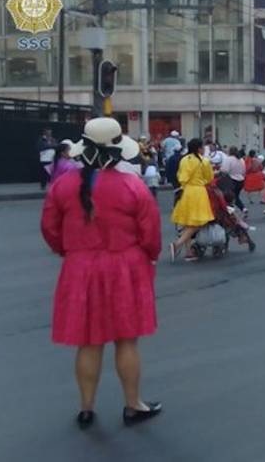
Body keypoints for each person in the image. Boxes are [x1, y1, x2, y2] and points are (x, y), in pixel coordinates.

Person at [40, 117, 163, 428]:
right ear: (119, 150)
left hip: (80, 268)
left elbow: (50, 229)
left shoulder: (62, 186)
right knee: (126, 340)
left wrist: (70, 252)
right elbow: (151, 234)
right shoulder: (133, 186)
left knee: (88, 341)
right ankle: (133, 405)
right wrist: (150, 257)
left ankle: (86, 408)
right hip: (126, 267)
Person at [170, 138, 215, 261]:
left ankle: (189, 252)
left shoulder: (184, 160)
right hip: (198, 192)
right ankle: (177, 244)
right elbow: (210, 177)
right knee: (198, 222)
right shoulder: (204, 161)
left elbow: (181, 177)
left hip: (186, 191)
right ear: (199, 148)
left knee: (188, 223)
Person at [222, 147, 247, 214]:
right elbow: (244, 171)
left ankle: (231, 211)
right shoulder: (241, 160)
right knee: (236, 196)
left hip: (231, 180)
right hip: (240, 180)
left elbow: (225, 170)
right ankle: (243, 208)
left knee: (229, 197)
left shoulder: (228, 159)